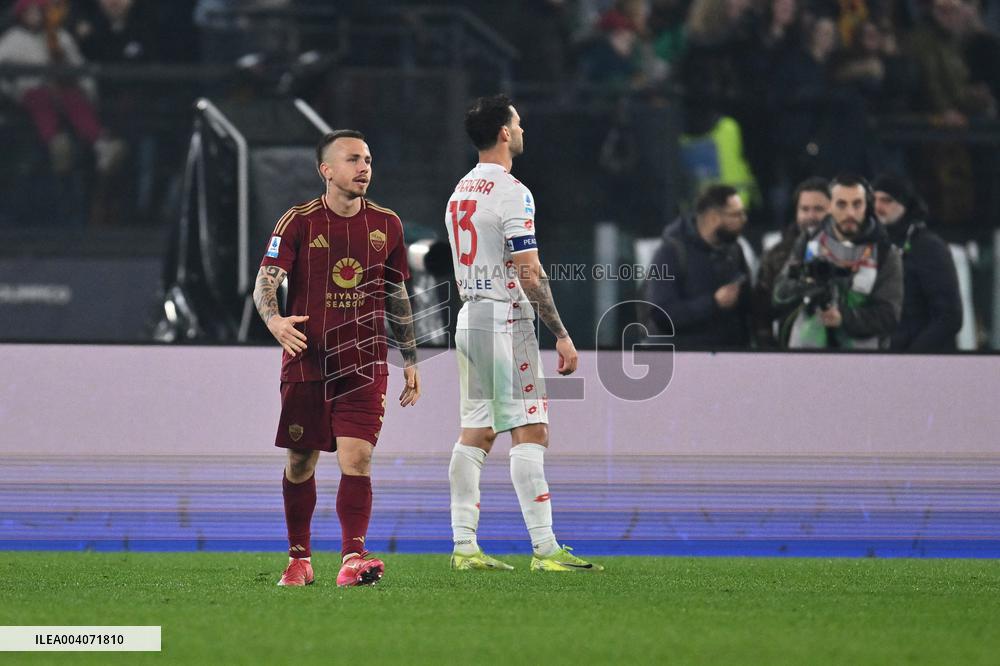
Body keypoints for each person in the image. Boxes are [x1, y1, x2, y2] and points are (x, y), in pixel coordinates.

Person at [252, 129, 421, 587]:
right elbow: (266, 280)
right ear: (326, 170)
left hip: (365, 363)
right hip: (308, 361)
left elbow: (396, 293)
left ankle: (352, 557)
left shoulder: (388, 224)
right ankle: (299, 559)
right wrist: (275, 321)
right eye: (352, 160)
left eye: (368, 159)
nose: (364, 168)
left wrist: (410, 357)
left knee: (358, 458)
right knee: (300, 462)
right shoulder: (298, 221)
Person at [445, 94, 602, 572]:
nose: (522, 130)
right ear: (503, 133)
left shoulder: (460, 190)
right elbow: (529, 272)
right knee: (531, 427)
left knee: (476, 432)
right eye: (517, 123)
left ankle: (464, 546)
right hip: (504, 319)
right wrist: (561, 333)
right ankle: (545, 548)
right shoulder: (513, 191)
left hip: (469, 318)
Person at [773, 173, 903, 349]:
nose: (850, 213)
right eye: (841, 204)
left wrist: (844, 318)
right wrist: (806, 285)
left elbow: (889, 316)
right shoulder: (809, 241)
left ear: (867, 206)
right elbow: (778, 295)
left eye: (857, 204)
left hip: (862, 357)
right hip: (807, 352)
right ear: (829, 207)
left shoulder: (885, 252)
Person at [0, 0, 124, 174]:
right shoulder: (12, 39)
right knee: (40, 99)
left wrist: (88, 90)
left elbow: (78, 65)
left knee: (75, 101)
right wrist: (7, 92)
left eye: (38, 11)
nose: (34, 16)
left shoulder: (59, 35)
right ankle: (56, 143)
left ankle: (102, 145)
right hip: (30, 91)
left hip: (63, 89)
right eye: (29, 12)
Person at [644, 184, 753, 349]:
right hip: (682, 357)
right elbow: (661, 315)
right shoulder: (670, 253)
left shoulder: (734, 250)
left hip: (727, 356)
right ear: (713, 218)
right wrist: (713, 303)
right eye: (736, 214)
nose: (743, 219)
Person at [872, 174, 963, 351]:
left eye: (886, 200)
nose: (877, 207)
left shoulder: (929, 247)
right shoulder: (871, 245)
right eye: (873, 200)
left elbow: (949, 317)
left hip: (923, 360)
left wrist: (912, 357)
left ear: (905, 205)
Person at [754, 177, 830, 346]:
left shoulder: (849, 251)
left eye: (818, 209)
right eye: (804, 209)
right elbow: (761, 312)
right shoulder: (776, 255)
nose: (811, 216)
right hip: (788, 351)